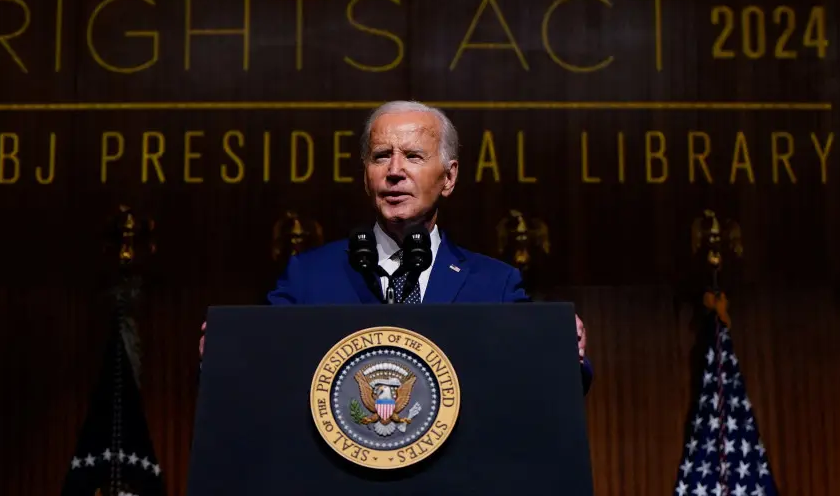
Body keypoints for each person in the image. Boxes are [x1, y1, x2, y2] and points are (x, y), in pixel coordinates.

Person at [201, 100, 592, 390]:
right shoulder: (309, 276)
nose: (394, 172)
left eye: (413, 156)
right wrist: (224, 352)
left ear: (449, 177)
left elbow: (551, 384)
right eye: (381, 156)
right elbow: (256, 369)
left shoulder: (495, 284)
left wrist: (565, 354)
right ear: (366, 176)